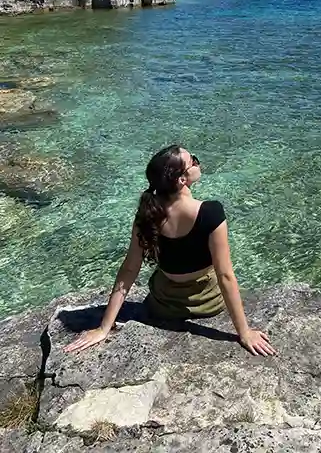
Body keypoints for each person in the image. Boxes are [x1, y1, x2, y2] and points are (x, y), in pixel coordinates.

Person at [65, 145, 276, 356]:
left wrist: (104, 328)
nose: (197, 162)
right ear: (182, 180)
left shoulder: (147, 214)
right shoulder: (210, 212)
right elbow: (225, 276)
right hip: (208, 303)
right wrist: (244, 332)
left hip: (164, 304)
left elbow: (129, 270)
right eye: (193, 160)